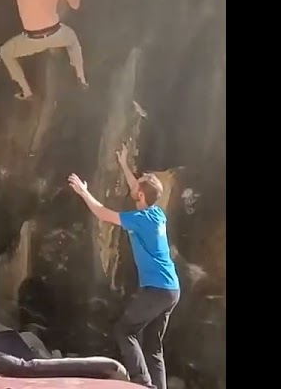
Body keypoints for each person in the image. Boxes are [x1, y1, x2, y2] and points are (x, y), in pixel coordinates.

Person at [67, 146, 180, 389]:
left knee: (124, 330)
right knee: (152, 346)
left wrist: (84, 192)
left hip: (157, 289)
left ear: (140, 195)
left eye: (136, 186)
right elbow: (139, 189)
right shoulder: (157, 213)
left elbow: (103, 214)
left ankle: (143, 382)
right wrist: (124, 163)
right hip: (171, 289)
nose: (133, 187)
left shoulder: (139, 219)